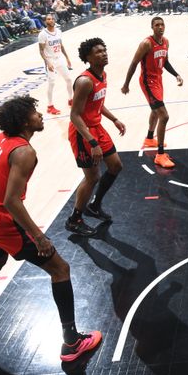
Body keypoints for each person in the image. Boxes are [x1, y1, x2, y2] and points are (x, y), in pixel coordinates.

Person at [0, 95, 101, 362]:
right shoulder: (24, 151)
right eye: (34, 112)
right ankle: (72, 342)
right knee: (60, 268)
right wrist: (39, 237)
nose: (39, 114)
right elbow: (11, 201)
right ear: (22, 121)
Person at [67, 38, 125, 236]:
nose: (104, 53)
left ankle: (94, 206)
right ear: (88, 58)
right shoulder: (85, 81)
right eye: (98, 51)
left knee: (116, 166)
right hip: (83, 132)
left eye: (104, 50)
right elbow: (74, 115)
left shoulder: (102, 75)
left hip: (97, 126)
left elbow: (98, 103)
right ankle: (74, 220)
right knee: (92, 177)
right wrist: (92, 142)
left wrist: (114, 119)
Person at [121, 17, 183, 168]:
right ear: (152, 27)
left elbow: (165, 62)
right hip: (148, 83)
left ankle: (149, 139)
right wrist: (126, 84)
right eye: (157, 25)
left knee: (155, 111)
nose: (160, 27)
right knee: (164, 115)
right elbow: (134, 63)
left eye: (162, 24)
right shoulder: (146, 43)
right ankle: (160, 155)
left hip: (158, 81)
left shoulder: (166, 42)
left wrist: (176, 74)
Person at [38, 14, 74, 115]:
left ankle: (71, 100)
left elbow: (61, 45)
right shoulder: (42, 34)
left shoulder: (59, 31)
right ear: (45, 22)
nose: (51, 20)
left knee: (69, 79)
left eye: (52, 18)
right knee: (52, 83)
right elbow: (41, 51)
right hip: (50, 60)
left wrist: (67, 58)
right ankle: (50, 106)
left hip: (60, 59)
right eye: (49, 19)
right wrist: (47, 62)